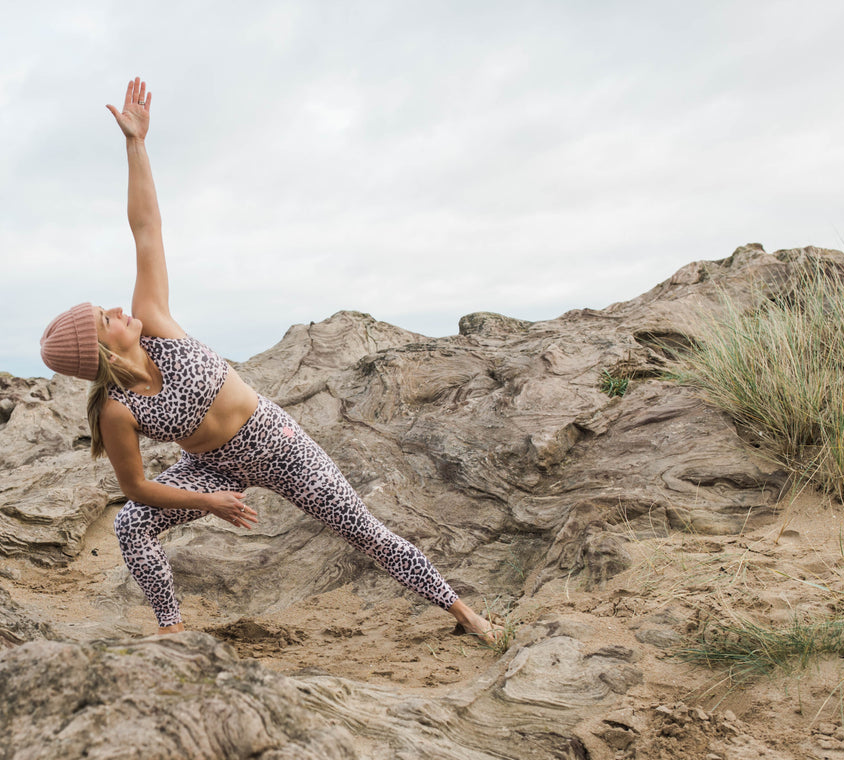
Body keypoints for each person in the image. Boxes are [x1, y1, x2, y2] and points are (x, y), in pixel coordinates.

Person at [39, 77, 500, 641]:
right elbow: (135, 488)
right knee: (133, 524)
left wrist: (136, 144)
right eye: (103, 319)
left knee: (362, 528)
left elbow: (146, 230)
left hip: (272, 439)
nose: (116, 308)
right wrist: (206, 499)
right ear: (102, 352)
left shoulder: (154, 321)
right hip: (211, 467)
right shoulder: (116, 410)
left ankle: (464, 613)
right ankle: (171, 630)